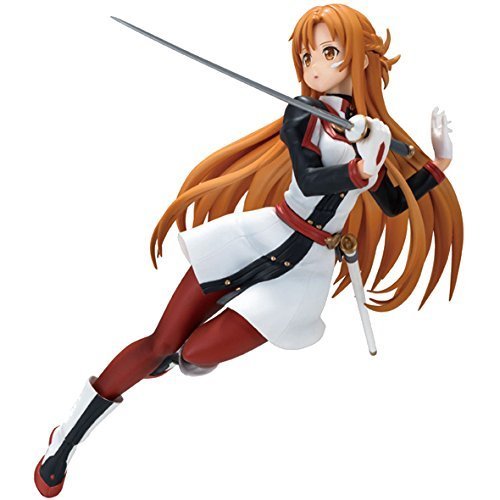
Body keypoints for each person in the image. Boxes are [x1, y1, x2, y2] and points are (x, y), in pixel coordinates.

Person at [34, 4, 462, 497]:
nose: (314, 67)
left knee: (192, 353)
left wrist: (439, 163)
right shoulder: (303, 113)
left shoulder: (374, 135)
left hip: (303, 274)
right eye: (307, 57)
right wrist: (357, 170)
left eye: (329, 53)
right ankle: (66, 440)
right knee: (160, 343)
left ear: (361, 58)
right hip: (261, 235)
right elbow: (309, 178)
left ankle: (183, 359)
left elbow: (390, 203)